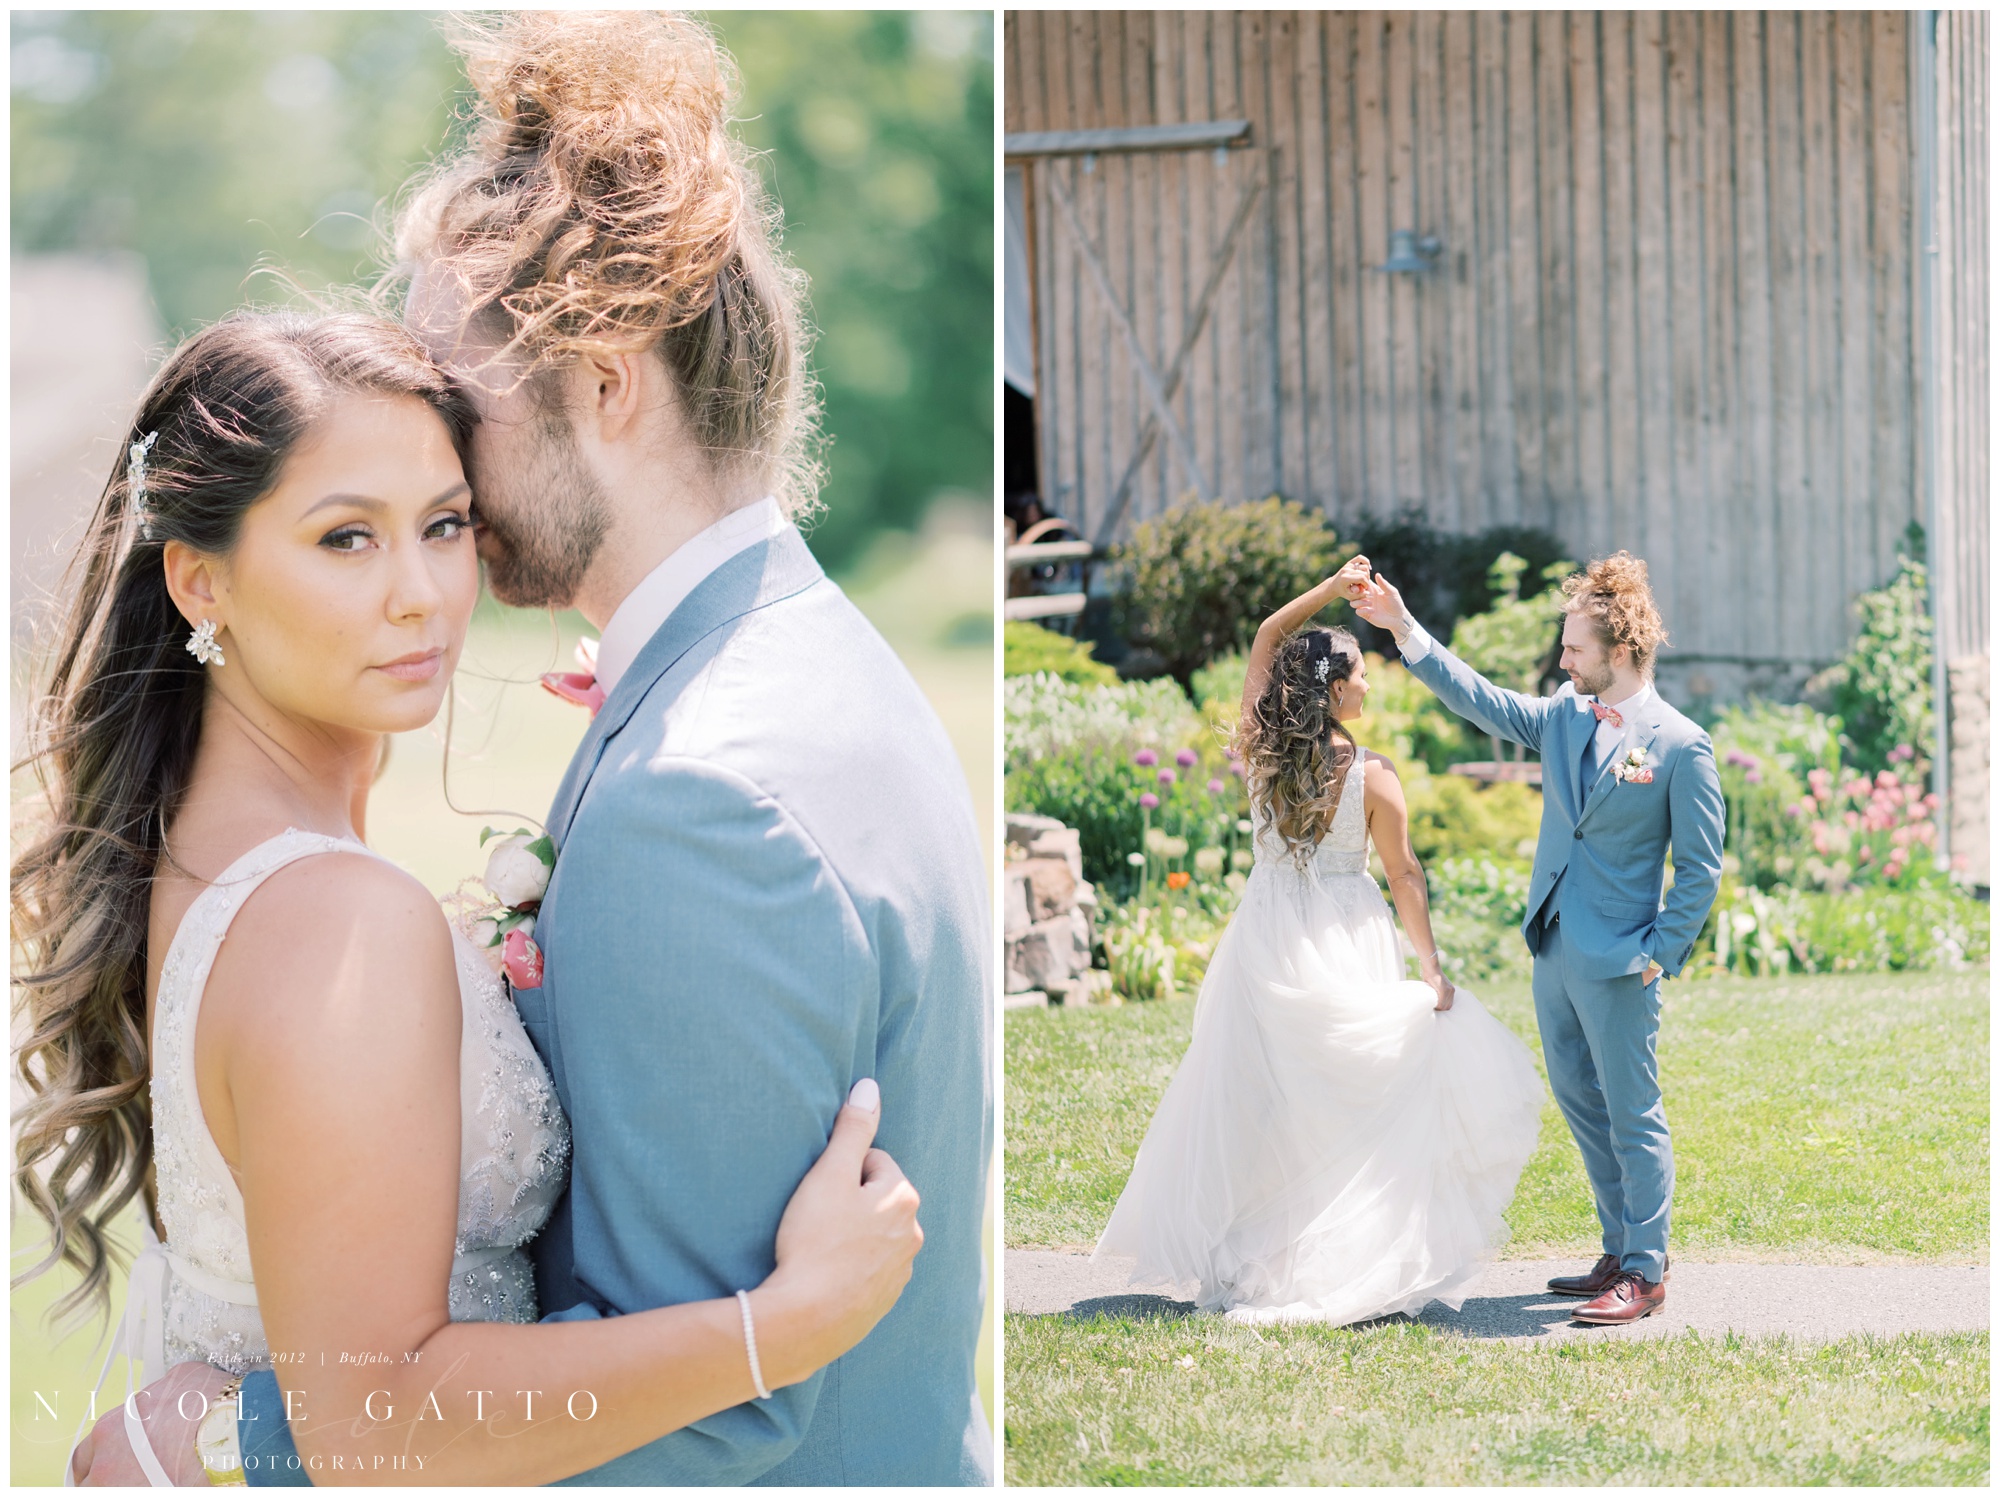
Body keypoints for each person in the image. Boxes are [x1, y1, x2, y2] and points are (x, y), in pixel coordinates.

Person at [53, 12, 991, 1485]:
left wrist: (228, 1449)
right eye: (350, 531)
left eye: (452, 410)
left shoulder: (702, 786)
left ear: (605, 384)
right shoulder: (818, 667)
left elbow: (714, 1438)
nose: (441, 504)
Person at [1093, 557, 1545, 1326]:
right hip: (1346, 933)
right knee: (1346, 1104)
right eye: (1362, 671)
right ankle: (1335, 1250)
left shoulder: (1261, 751)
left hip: (1266, 934)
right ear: (1334, 690)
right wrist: (1432, 971)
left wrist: (1332, 591)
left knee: (1269, 1101)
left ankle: (1269, 1248)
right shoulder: (1375, 776)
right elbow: (1404, 875)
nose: (1372, 682)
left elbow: (1271, 632)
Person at [1346, 551, 1725, 1326]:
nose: (1563, 658)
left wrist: (1660, 953)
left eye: (1575, 648)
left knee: (1633, 1110)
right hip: (1553, 948)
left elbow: (1701, 867)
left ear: (1619, 651)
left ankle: (1647, 1271)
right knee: (1582, 1103)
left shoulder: (1682, 745)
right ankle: (1618, 1250)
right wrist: (1401, 627)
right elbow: (1478, 698)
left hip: (1623, 962)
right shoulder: (1562, 716)